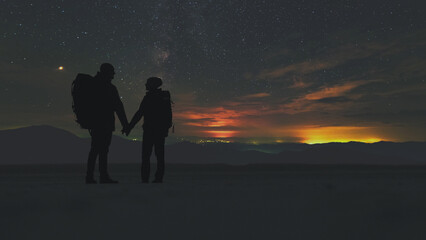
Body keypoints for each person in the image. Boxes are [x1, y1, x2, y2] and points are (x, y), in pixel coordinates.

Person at [85, 63, 128, 184]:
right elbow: (118, 107)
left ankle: (91, 176)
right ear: (107, 72)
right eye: (112, 72)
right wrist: (125, 124)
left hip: (95, 123)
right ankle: (102, 176)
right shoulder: (109, 87)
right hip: (105, 123)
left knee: (95, 150)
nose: (114, 74)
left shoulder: (92, 85)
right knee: (102, 150)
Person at [124, 77, 172, 183]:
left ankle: (146, 179)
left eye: (147, 83)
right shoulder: (162, 97)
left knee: (146, 156)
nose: (145, 85)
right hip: (159, 131)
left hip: (150, 131)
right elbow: (168, 115)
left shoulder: (149, 98)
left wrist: (129, 127)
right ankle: (157, 178)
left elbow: (139, 113)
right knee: (159, 156)